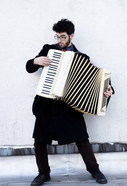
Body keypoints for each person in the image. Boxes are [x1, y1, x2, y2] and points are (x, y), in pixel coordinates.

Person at [26, 19, 114, 186]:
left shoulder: (82, 57)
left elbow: (95, 80)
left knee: (82, 138)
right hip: (46, 105)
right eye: (57, 36)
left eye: (63, 37)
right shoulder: (48, 49)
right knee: (39, 140)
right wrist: (35, 61)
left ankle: (94, 170)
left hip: (69, 107)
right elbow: (29, 67)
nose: (60, 40)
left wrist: (109, 91)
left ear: (71, 35)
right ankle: (43, 174)